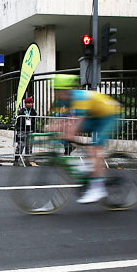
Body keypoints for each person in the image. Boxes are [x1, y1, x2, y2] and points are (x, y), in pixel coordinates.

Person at [50, 74, 122, 203]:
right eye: (57, 91)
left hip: (110, 115)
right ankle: (89, 163)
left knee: (95, 148)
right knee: (70, 135)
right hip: (94, 115)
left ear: (70, 90)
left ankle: (98, 188)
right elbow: (59, 120)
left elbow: (76, 123)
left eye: (62, 91)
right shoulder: (59, 100)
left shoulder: (80, 98)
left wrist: (65, 133)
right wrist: (48, 129)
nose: (60, 94)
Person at [14, 96, 37, 165]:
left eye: (31, 103)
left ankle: (27, 160)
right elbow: (19, 120)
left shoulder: (33, 111)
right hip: (22, 130)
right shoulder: (21, 111)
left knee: (29, 146)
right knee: (21, 145)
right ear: (25, 104)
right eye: (28, 103)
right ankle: (16, 159)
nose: (30, 104)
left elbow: (34, 120)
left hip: (30, 130)